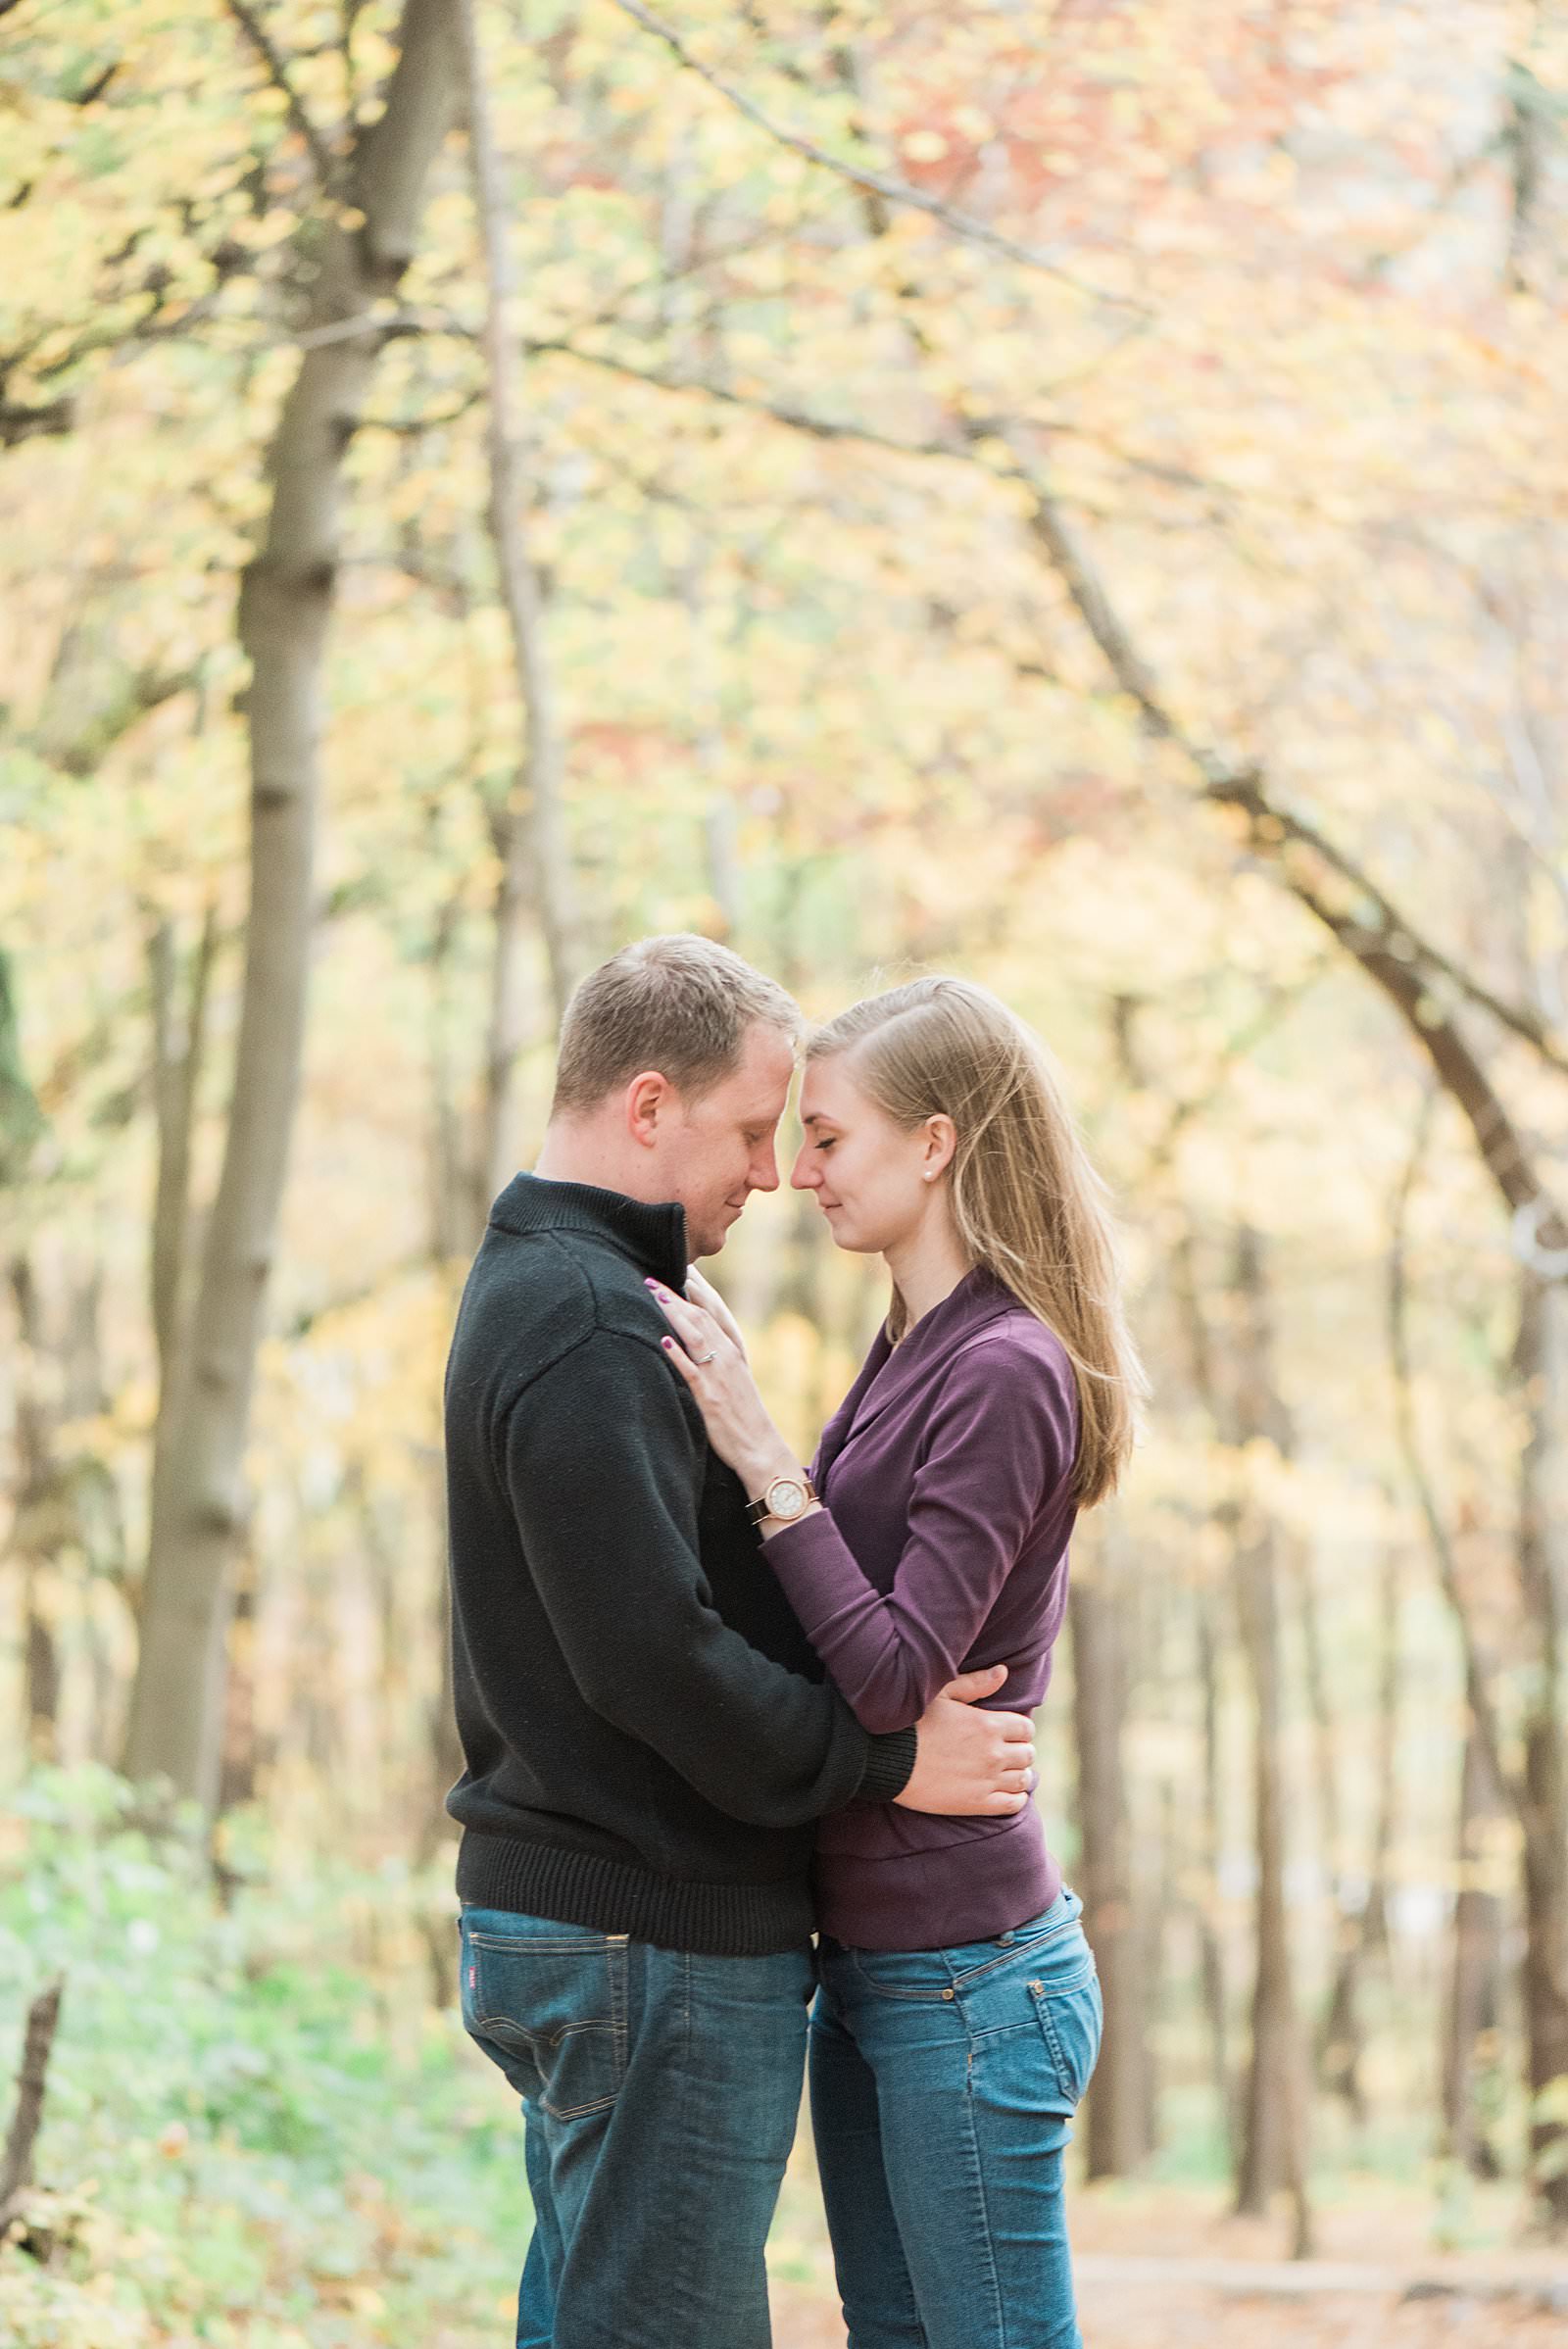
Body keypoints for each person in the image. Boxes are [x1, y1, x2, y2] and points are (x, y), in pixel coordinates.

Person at [443, 936, 1037, 2349]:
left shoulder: (577, 1288)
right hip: (649, 1935)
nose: (772, 1174)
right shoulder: (586, 1316)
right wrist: (885, 1757)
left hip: (613, 1927)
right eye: (756, 1129)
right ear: (648, 1108)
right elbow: (656, 1661)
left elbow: (669, 1603)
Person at [649, 974, 1146, 2349]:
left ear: (936, 1143)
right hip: (877, 1963)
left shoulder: (1006, 1367)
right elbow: (859, 1650)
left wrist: (765, 1461)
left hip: (970, 1979)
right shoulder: (911, 1347)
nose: (798, 1172)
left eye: (830, 1136)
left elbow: (886, 1671)